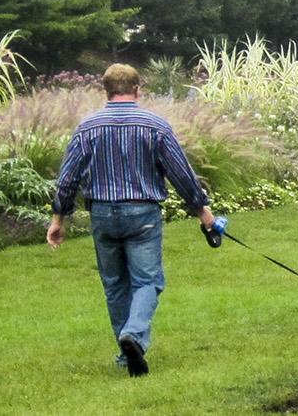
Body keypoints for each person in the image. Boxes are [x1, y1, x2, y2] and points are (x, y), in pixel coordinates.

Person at [48, 64, 216, 377]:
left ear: (106, 90)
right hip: (142, 215)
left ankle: (127, 354)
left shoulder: (87, 127)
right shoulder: (155, 126)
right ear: (137, 89)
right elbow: (181, 174)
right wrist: (203, 212)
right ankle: (134, 335)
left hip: (102, 214)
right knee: (148, 281)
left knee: (114, 285)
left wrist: (59, 218)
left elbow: (68, 177)